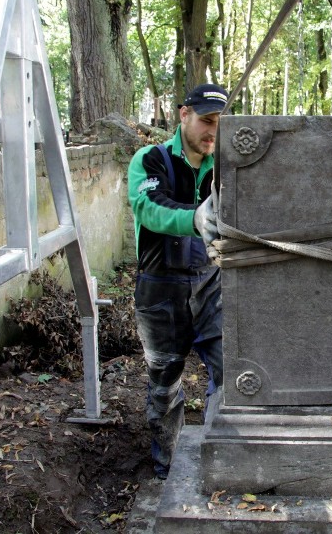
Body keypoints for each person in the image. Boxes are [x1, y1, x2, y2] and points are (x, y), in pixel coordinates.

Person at [127, 83, 227, 480]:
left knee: (230, 371)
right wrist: (195, 218)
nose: (212, 132)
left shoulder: (224, 164)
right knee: (165, 381)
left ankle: (223, 457)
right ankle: (167, 465)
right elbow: (149, 207)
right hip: (161, 293)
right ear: (184, 114)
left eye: (220, 124)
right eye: (206, 121)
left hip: (210, 286)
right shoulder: (150, 160)